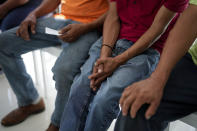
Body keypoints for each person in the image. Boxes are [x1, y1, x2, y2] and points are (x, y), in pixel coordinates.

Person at [60, 0, 188, 131]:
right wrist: (104, 56)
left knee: (105, 98)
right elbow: (113, 16)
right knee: (79, 87)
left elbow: (157, 29)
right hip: (111, 40)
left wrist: (117, 61)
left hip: (147, 50)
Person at [0, 0, 109, 130]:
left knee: (63, 70)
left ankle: (57, 123)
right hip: (60, 21)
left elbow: (115, 11)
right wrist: (33, 14)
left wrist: (86, 27)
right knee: (4, 44)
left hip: (90, 26)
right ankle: (30, 101)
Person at [115, 0, 197, 131]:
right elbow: (191, 19)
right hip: (194, 64)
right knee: (138, 104)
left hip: (148, 50)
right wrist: (156, 80)